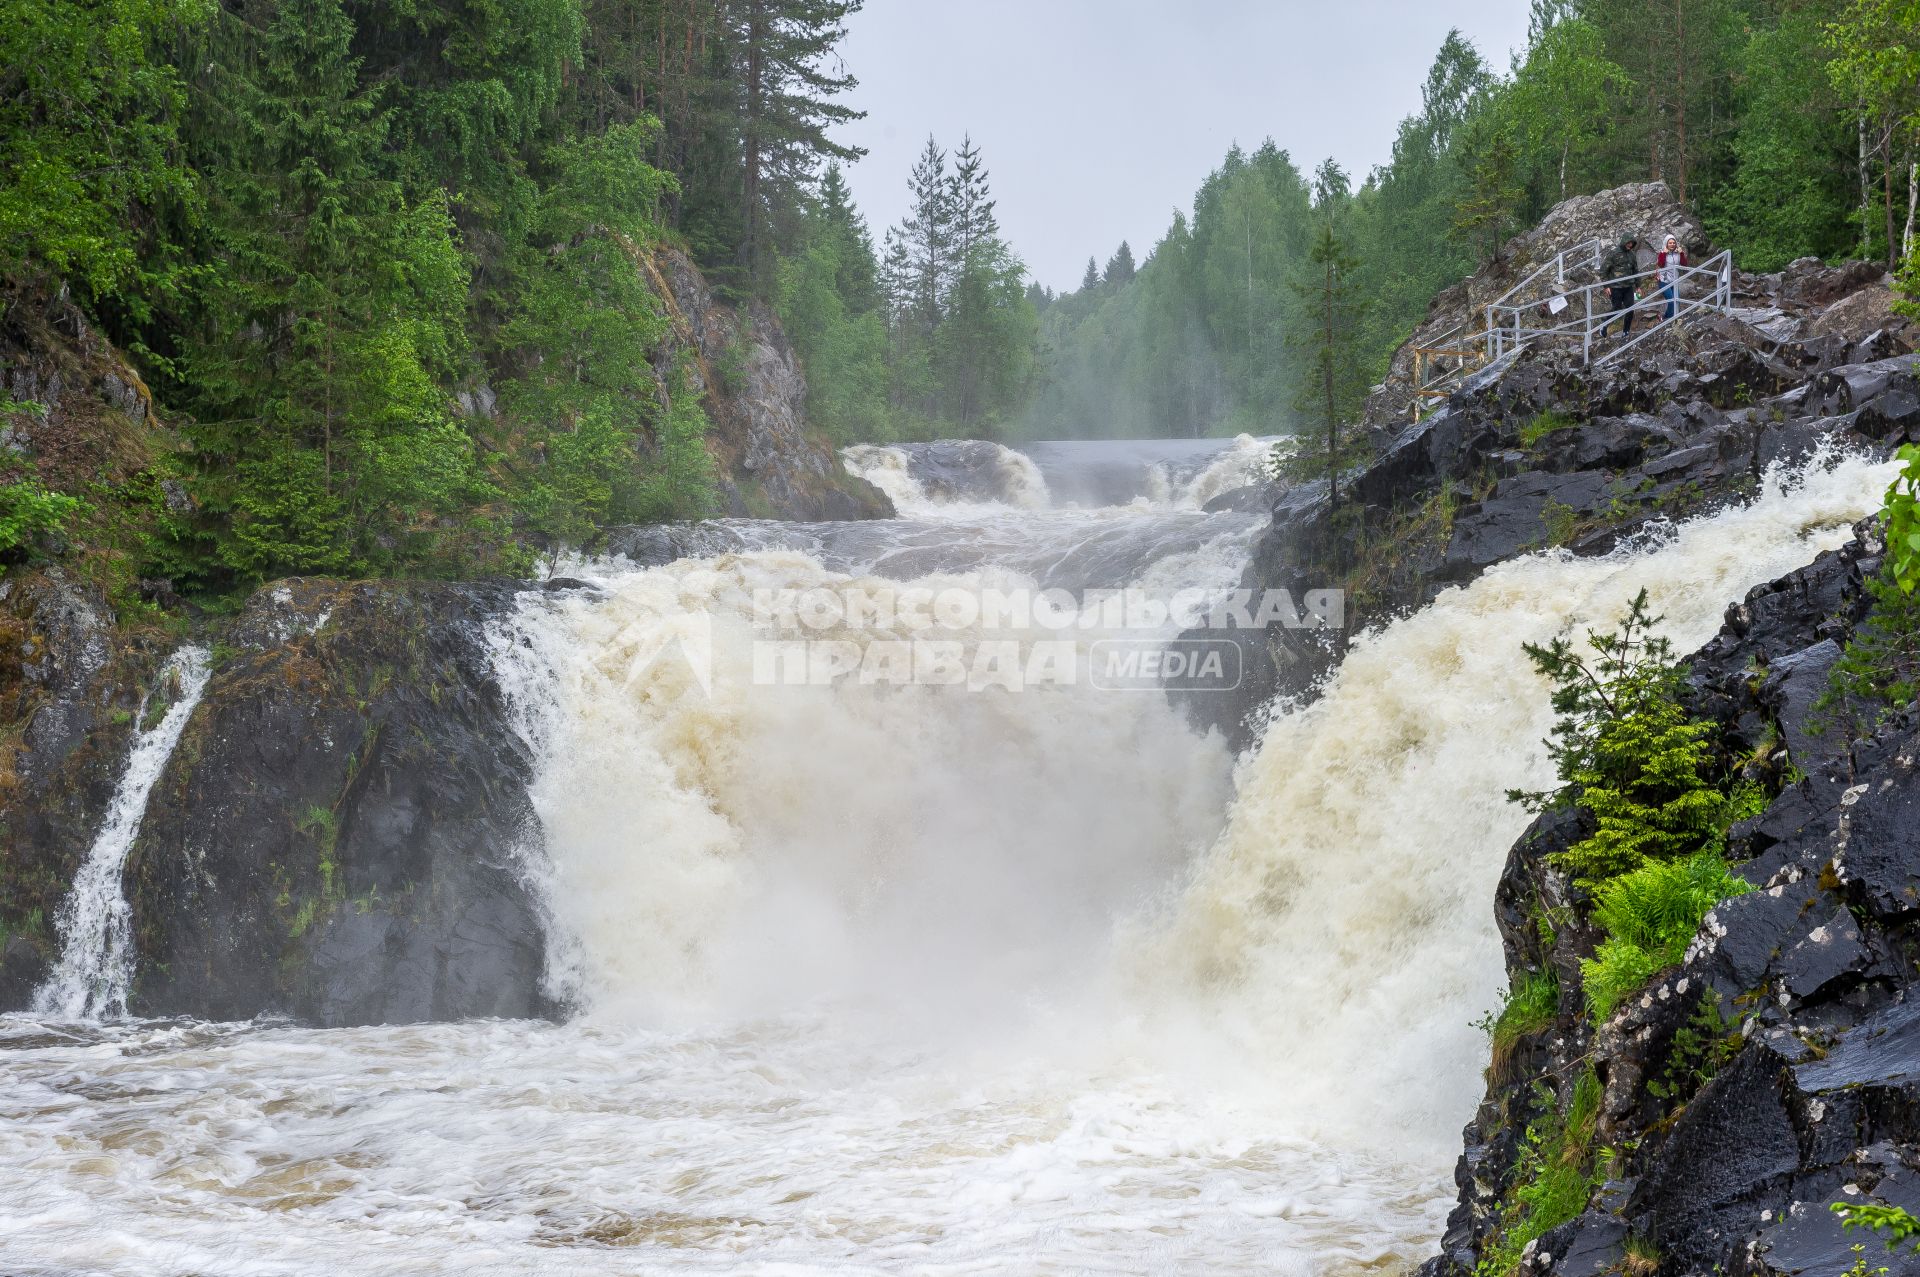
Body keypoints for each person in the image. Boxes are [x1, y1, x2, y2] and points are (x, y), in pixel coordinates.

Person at [1600, 235, 1641, 337]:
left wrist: (1638, 286)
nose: (1630, 245)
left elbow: (1635, 270)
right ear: (1624, 242)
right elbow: (1603, 270)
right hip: (1615, 287)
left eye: (1632, 243)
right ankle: (1604, 324)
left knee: (1630, 308)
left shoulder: (1632, 255)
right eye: (1628, 243)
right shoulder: (1614, 253)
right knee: (1617, 308)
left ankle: (1626, 331)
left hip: (1628, 287)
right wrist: (1606, 286)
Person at [1656, 234, 1688, 321]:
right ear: (1666, 244)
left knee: (1676, 301)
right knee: (1671, 300)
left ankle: (1668, 318)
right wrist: (1664, 254)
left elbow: (1684, 264)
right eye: (1670, 243)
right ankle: (1667, 319)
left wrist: (1681, 253)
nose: (1672, 244)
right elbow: (1661, 264)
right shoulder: (1662, 253)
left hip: (1675, 281)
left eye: (1674, 243)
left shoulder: (1678, 253)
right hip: (1664, 281)